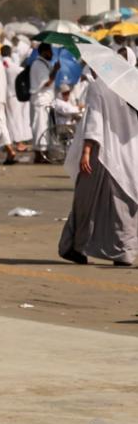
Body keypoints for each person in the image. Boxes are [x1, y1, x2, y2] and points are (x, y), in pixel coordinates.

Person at [60, 56, 138, 267]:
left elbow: (95, 121)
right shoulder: (129, 88)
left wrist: (86, 151)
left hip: (101, 154)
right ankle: (124, 251)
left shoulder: (98, 88)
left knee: (86, 201)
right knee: (122, 204)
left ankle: (75, 246)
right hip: (128, 155)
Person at [29, 43, 60, 164]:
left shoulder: (44, 64)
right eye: (50, 51)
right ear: (44, 52)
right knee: (39, 128)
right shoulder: (38, 64)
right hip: (40, 101)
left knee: (44, 128)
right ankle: (39, 154)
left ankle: (43, 153)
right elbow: (46, 83)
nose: (52, 54)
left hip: (45, 101)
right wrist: (56, 70)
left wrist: (54, 70)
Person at [2, 45, 33, 149]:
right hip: (13, 95)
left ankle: (9, 143)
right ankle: (18, 143)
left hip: (4, 95)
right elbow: (22, 73)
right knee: (16, 119)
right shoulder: (12, 66)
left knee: (7, 120)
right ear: (10, 53)